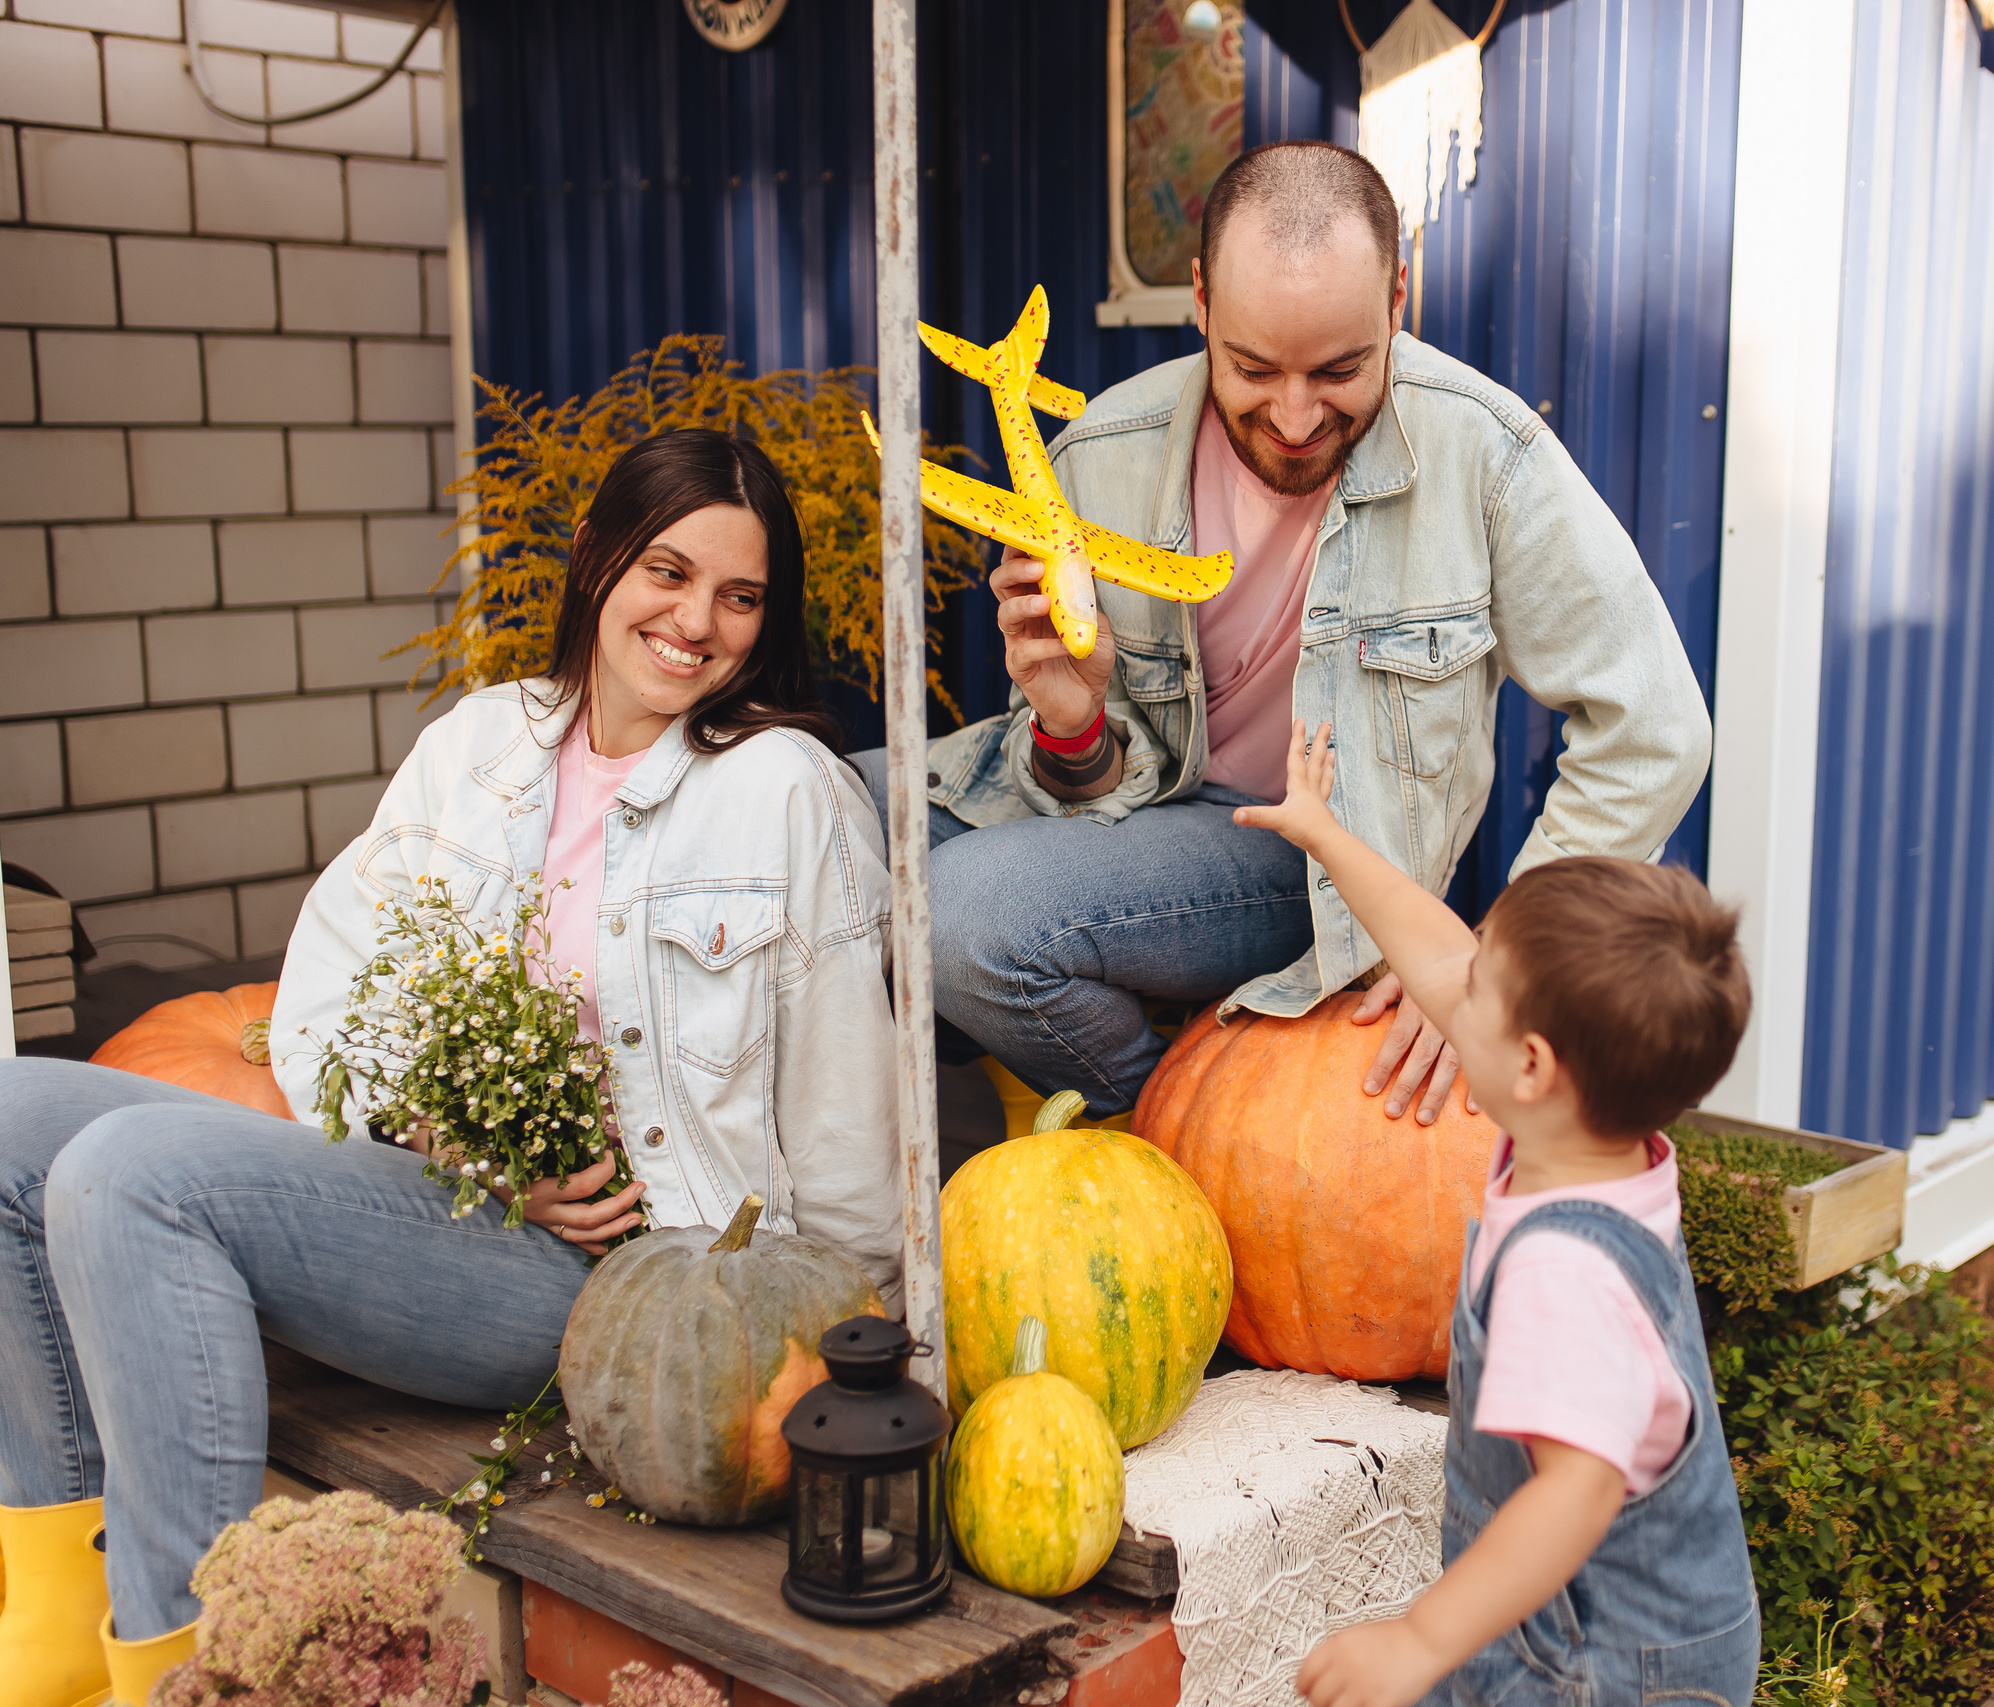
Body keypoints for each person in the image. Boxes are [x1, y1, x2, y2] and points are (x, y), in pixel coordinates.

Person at [0, 430, 899, 1707]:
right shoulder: (480, 744)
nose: (697, 622)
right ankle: (51, 1634)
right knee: (13, 1114)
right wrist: (451, 1137)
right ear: (595, 557)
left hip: (618, 1279)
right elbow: (326, 999)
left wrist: (856, 1372)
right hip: (447, 1198)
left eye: (740, 596)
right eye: (667, 571)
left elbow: (851, 1123)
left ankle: (199, 1668)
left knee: (131, 1173)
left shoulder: (785, 792)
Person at [852, 140, 1710, 1121]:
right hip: (1141, 814)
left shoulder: (1487, 451)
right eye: (1253, 368)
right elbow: (1084, 787)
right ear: (1201, 301)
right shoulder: (1102, 450)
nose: (1296, 418)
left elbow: (1655, 730)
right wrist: (1071, 723)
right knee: (826, 798)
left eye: (1340, 370)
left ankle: (1189, 1133)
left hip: (1313, 863)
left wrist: (1501, 968)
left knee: (962, 914)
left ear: (1396, 300)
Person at [1237, 720, 1758, 1707]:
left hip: (1607, 1666)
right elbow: (1438, 957)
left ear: (1530, 1066)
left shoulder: (1565, 1275)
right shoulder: (1597, 1145)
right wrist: (1327, 835)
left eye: (1478, 987)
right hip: (1593, 1629)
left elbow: (1576, 1492)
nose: (1446, 990)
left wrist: (1419, 1639)